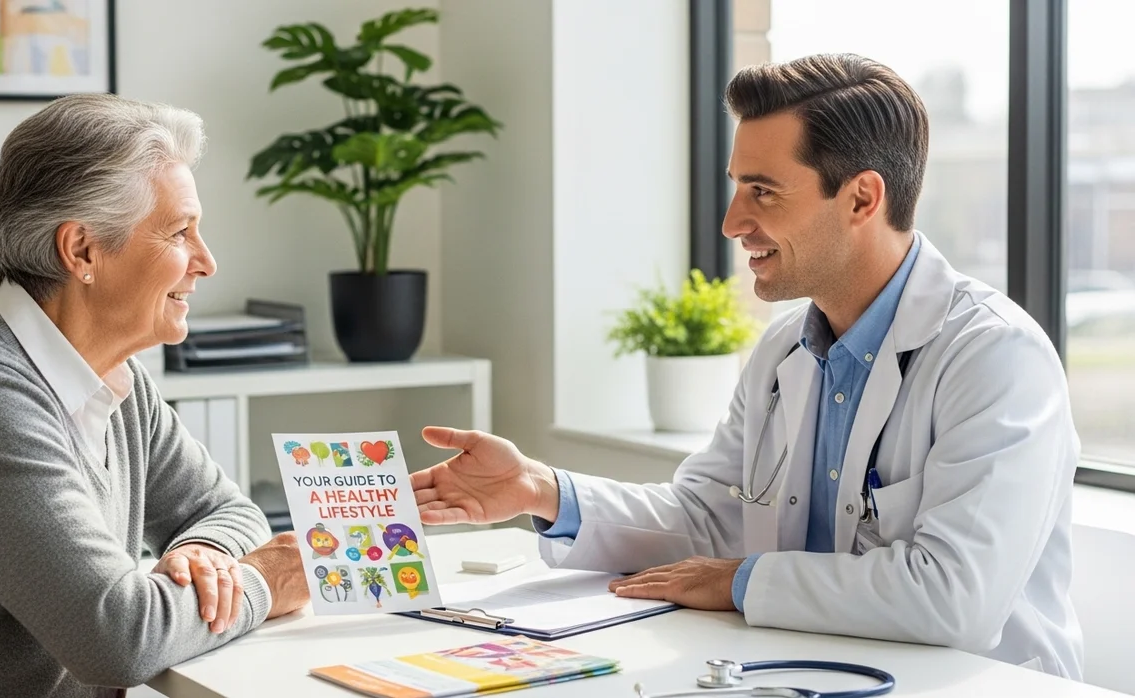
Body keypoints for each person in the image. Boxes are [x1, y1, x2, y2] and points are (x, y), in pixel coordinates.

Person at [411, 53, 1083, 679]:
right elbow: (706, 518)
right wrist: (541, 489)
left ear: (861, 199)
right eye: (737, 188)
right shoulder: (785, 348)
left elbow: (954, 598)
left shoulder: (995, 357)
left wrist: (739, 580)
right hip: (807, 668)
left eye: (762, 192)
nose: (732, 222)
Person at [0, 94, 309, 697]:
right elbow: (118, 638)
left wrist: (205, 554)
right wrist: (264, 582)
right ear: (82, 251)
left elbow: (229, 511)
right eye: (180, 232)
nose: (207, 262)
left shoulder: (115, 378)